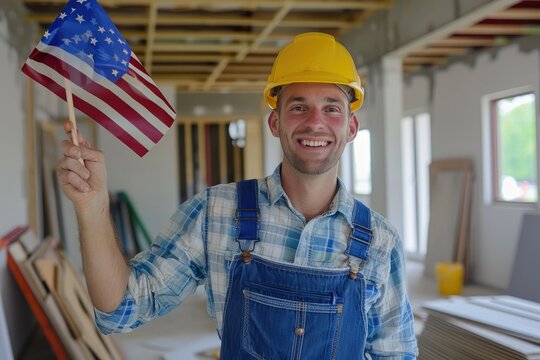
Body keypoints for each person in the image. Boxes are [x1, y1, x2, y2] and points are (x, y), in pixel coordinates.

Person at [58, 32, 418, 359]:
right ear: (274, 122)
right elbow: (122, 310)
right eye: (298, 106)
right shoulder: (217, 213)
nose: (314, 122)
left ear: (351, 127)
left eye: (331, 108)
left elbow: (396, 355)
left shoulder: (379, 242)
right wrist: (93, 209)